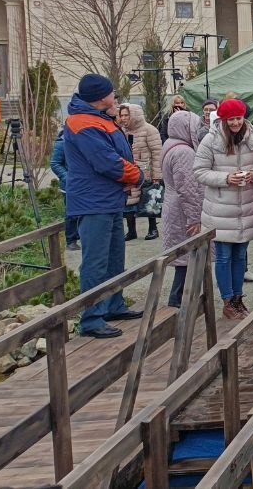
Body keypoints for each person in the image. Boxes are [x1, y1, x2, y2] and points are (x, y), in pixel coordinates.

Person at [63, 74, 144, 339]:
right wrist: (137, 176)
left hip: (107, 199)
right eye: (111, 93)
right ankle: (92, 318)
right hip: (93, 202)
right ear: (100, 97)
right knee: (96, 262)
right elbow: (107, 162)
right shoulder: (82, 123)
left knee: (113, 259)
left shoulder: (98, 119)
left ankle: (112, 305)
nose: (115, 97)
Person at [192, 99, 253, 317]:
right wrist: (226, 178)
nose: (236, 122)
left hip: (246, 206)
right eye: (231, 119)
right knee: (224, 257)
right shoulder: (210, 140)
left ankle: (238, 297)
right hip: (220, 208)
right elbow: (199, 171)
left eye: (239, 118)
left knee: (240, 256)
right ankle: (227, 300)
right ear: (224, 120)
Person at [160, 111, 206, 309]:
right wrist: (194, 218)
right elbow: (187, 188)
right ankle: (179, 301)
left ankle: (181, 300)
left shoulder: (170, 144)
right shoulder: (184, 152)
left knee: (184, 256)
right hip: (182, 210)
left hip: (174, 205)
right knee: (187, 257)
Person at [119, 103, 162, 241]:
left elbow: (157, 153)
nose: (124, 118)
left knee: (149, 200)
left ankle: (153, 228)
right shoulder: (122, 131)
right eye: (122, 115)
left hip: (146, 171)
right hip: (129, 171)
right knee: (130, 202)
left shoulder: (149, 130)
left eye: (127, 115)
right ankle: (132, 231)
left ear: (134, 115)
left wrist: (156, 175)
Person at [50, 128, 80, 251]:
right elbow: (55, 163)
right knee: (71, 213)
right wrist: (67, 178)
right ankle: (71, 240)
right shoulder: (62, 143)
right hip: (70, 185)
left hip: (84, 183)